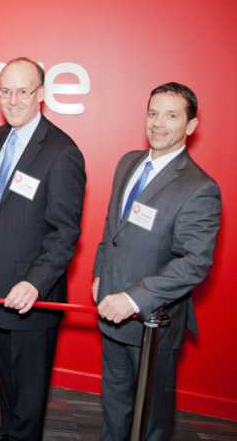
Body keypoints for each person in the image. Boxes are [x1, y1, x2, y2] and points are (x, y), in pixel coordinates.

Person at [93, 82, 221, 441]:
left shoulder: (199, 187)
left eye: (171, 115)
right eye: (153, 113)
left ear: (191, 126)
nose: (158, 123)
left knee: (151, 420)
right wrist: (100, 273)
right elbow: (111, 226)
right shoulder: (128, 162)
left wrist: (133, 298)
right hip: (110, 311)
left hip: (153, 324)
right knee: (115, 406)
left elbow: (195, 262)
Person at [0, 57, 86, 441]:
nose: (13, 100)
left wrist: (35, 283)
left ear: (40, 94)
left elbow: (64, 233)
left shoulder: (62, 152)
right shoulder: (1, 136)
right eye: (5, 91)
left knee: (30, 385)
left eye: (22, 91)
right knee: (7, 374)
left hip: (30, 295)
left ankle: (22, 434)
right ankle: (10, 430)